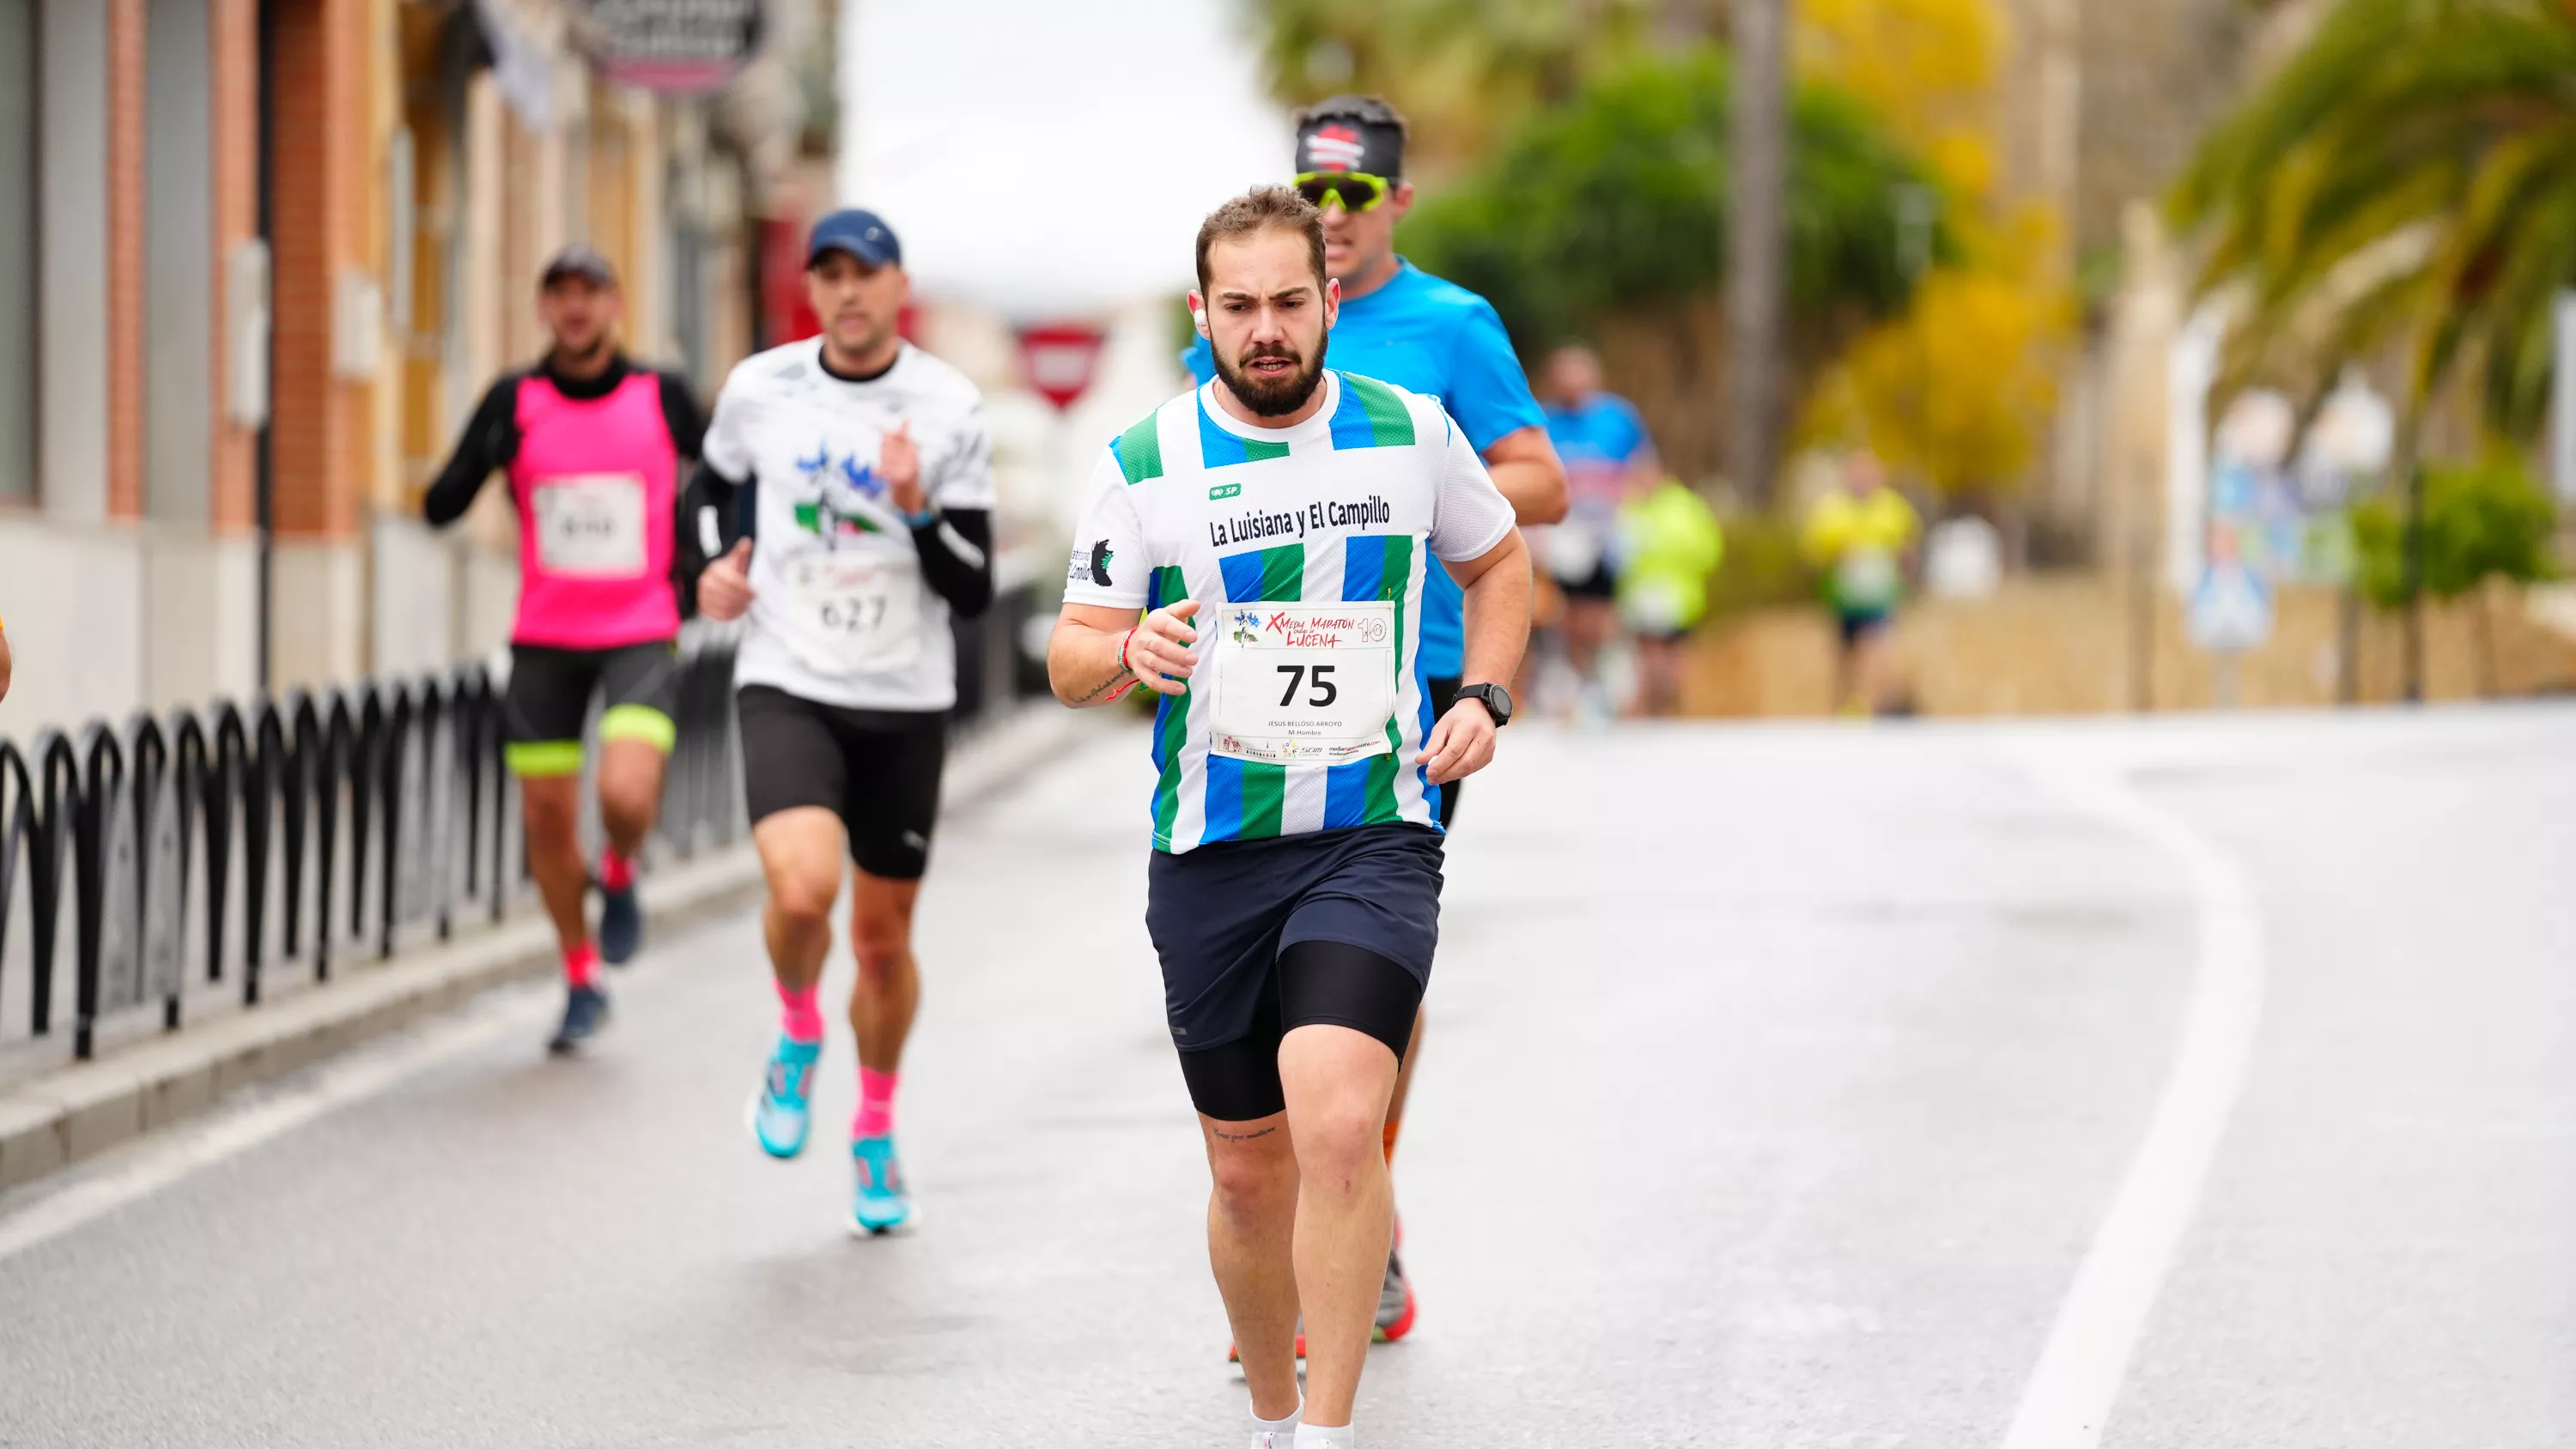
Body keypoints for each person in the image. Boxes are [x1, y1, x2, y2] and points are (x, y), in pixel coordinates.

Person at [1056, 185, 1531, 1449]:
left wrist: (1484, 691)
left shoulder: (1410, 430)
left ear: (1330, 303)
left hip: (1373, 830)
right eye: (1240, 306)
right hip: (1211, 850)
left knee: (1334, 1117)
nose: (1267, 329)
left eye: (1289, 302)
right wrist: (1128, 648)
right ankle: (1272, 1414)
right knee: (1247, 1170)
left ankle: (1326, 1433)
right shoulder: (1146, 463)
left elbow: (1499, 561)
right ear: (1202, 314)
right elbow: (1068, 651)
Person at [1184, 91, 1565, 1349]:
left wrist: (1407, 468)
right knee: (1262, 985)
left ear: (1395, 203)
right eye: (1315, 190)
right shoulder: (1258, 321)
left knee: (1362, 978)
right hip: (1253, 695)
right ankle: (1317, 1204)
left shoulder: (1451, 326)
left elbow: (1541, 481)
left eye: (1355, 195)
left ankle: (1362, 1206)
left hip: (1413, 693)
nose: (1332, 218)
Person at [690, 209, 994, 1235]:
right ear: (812, 289)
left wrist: (914, 507)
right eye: (830, 274)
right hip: (789, 674)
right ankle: (794, 1027)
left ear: (898, 284)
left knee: (880, 939)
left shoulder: (948, 406)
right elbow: (714, 483)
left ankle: (873, 1125)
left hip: (903, 694)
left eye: (866, 273)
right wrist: (714, 563)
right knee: (804, 886)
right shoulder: (760, 388)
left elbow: (976, 583)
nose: (848, 291)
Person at [423, 245, 707, 1054]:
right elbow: (442, 502)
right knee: (546, 820)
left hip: (642, 627)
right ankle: (581, 975)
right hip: (545, 635)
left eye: (592, 292)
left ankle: (619, 868)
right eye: (561, 294)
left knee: (623, 794)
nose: (577, 308)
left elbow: (728, 473)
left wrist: (704, 546)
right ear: (543, 308)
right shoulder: (516, 399)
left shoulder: (664, 394)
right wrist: (483, 455)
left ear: (617, 305)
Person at [1535, 344, 1657, 718]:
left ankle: (1607, 683)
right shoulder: (1543, 420)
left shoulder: (1618, 417)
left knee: (1603, 612)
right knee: (1568, 612)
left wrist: (1631, 506)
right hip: (1565, 530)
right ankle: (1572, 683)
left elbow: (1645, 468)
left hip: (1608, 530)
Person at [1800, 449, 1922, 716]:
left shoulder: (1892, 508)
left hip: (1878, 596)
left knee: (1875, 648)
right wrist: (1837, 555)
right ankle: (1846, 707)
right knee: (1845, 656)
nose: (1863, 480)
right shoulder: (1832, 510)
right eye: (1857, 474)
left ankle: (1879, 705)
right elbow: (1814, 549)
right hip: (1843, 596)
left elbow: (1909, 548)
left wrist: (1901, 561)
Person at [1613, 476, 1723, 717]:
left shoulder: (1672, 507)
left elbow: (1707, 551)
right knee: (1662, 658)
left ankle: (1663, 710)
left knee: (1662, 659)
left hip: (1669, 599)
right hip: (1662, 599)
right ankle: (1664, 710)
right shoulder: (1641, 506)